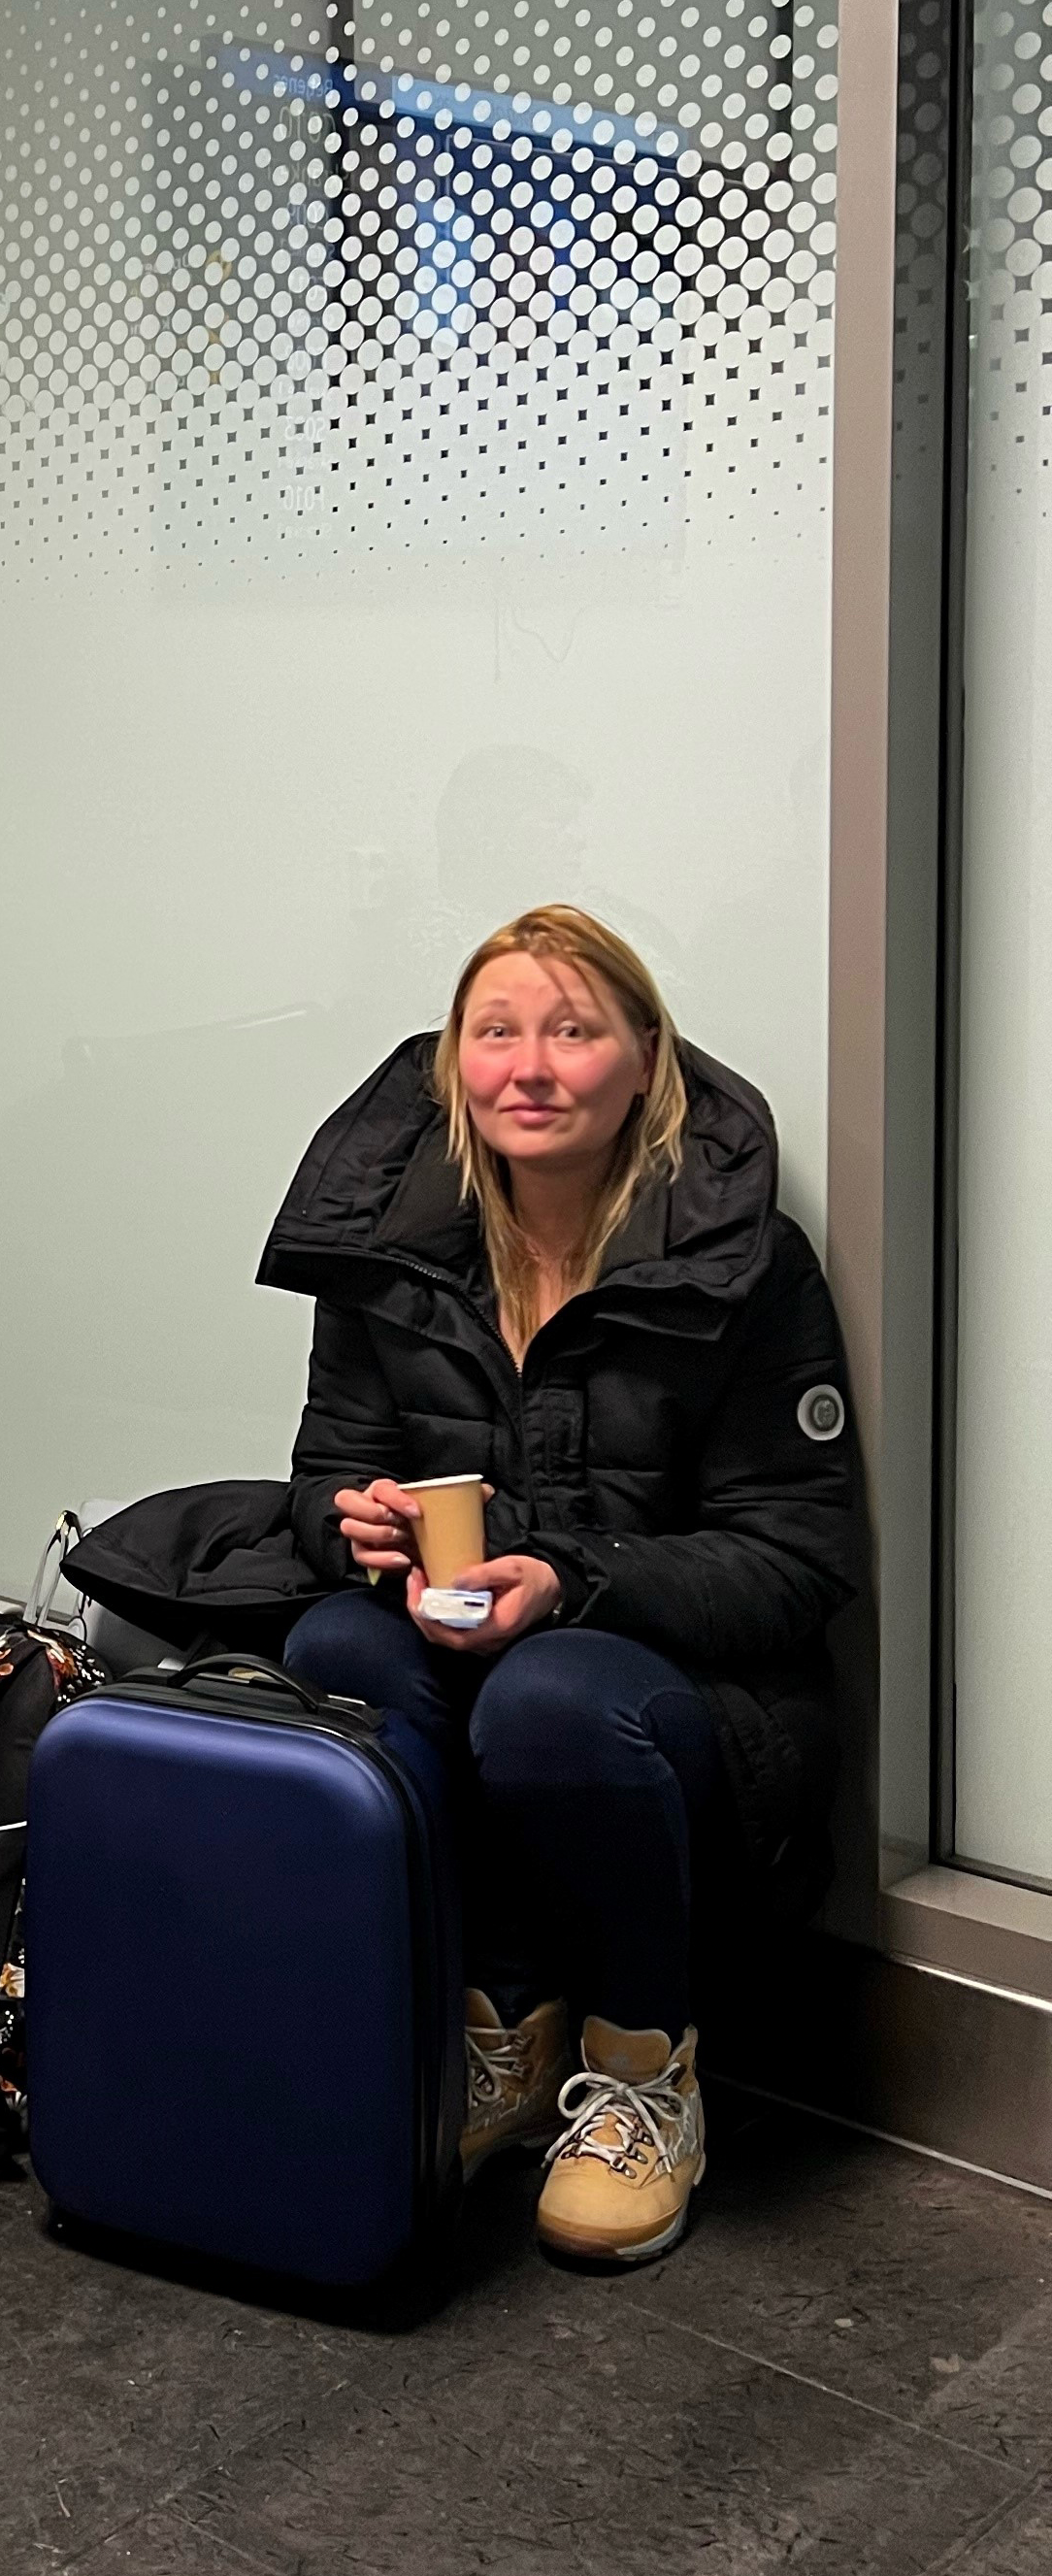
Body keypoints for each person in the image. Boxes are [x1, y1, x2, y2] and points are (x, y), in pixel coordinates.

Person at [262, 904, 859, 2266]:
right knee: (338, 1651)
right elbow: (325, 1468)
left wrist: (573, 1576)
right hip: (467, 1633)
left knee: (548, 1700)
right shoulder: (392, 1245)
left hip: (688, 1687)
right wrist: (342, 1522)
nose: (531, 1067)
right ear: (454, 1066)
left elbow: (799, 1561)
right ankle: (503, 2023)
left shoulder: (746, 1263)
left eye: (573, 1031)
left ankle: (645, 2070)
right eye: (497, 1032)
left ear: (646, 1060)